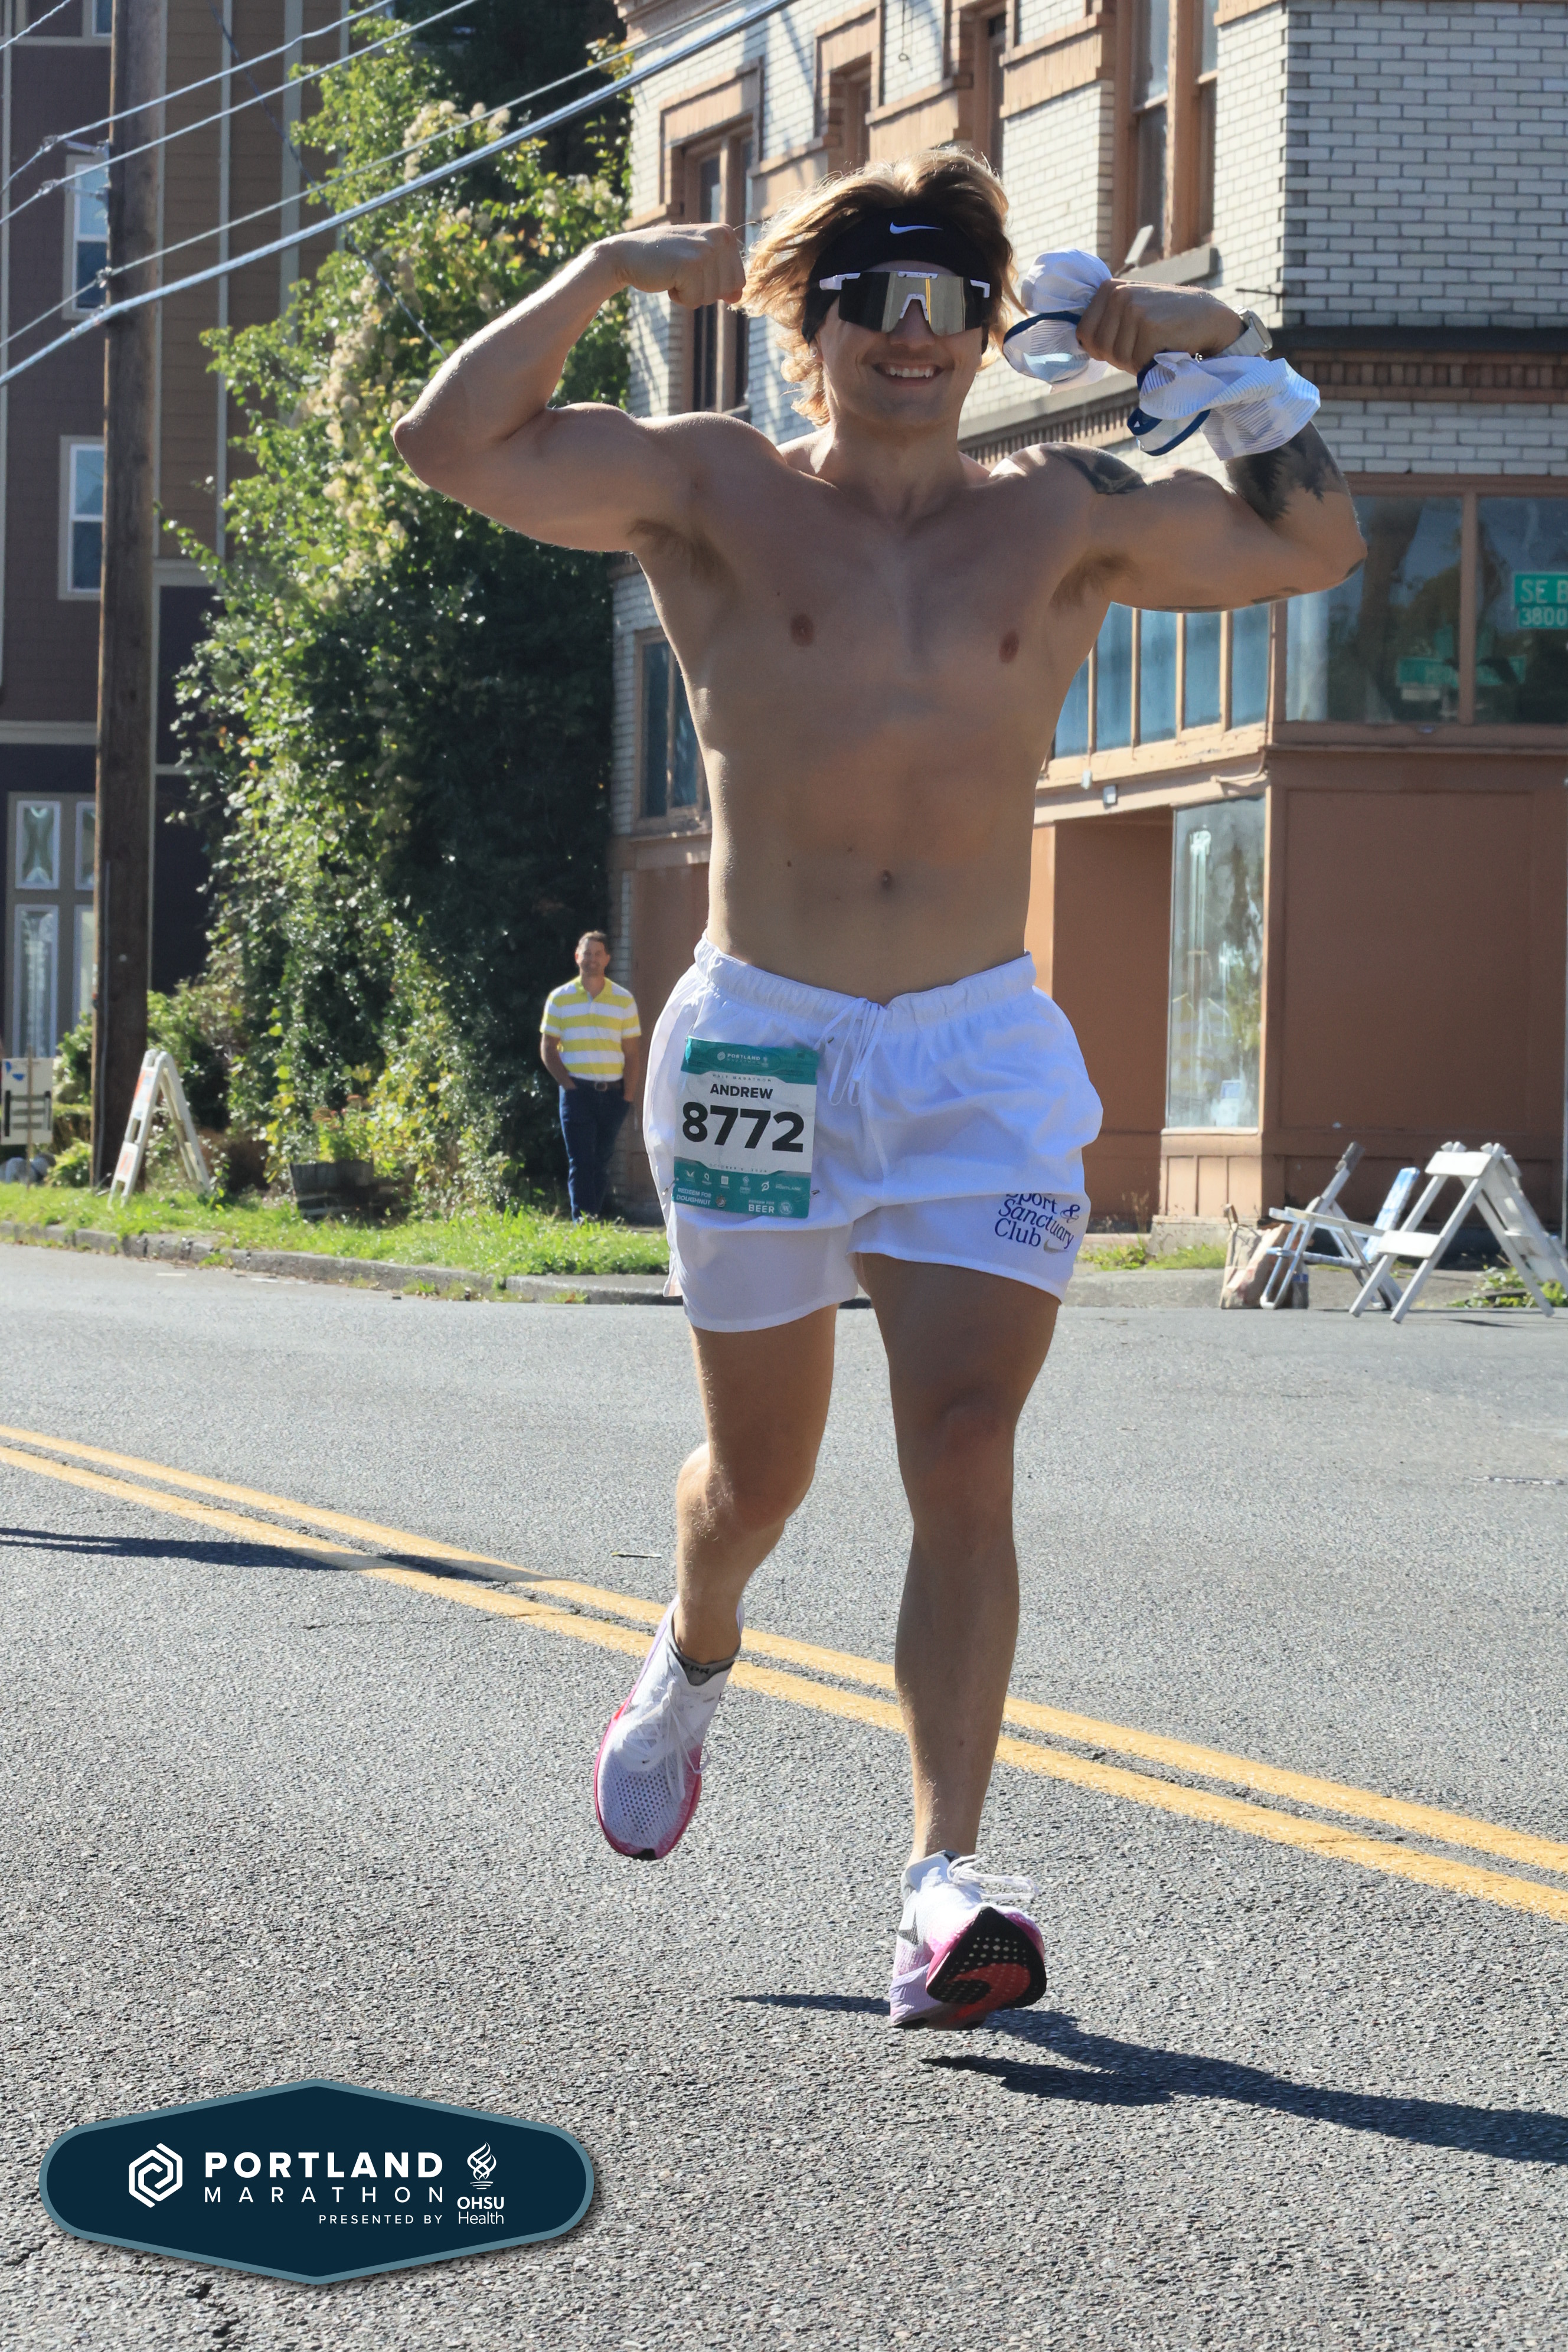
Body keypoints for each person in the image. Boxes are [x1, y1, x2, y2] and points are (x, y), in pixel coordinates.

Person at [394, 149, 1363, 2028]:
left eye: (949, 305)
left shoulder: (1063, 513)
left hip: (974, 1053)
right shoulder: (712, 488)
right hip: (762, 1041)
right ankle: (693, 1649)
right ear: (812, 325)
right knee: (759, 1477)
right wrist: (608, 266)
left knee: (968, 1447)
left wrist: (1220, 354)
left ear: (992, 332)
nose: (914, 337)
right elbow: (452, 446)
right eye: (877, 303)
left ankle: (944, 1888)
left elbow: (1312, 544)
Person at [540, 930, 642, 1222]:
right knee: (581, 1161)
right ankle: (583, 1221)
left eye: (598, 954)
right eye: (587, 954)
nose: (592, 960)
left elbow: (632, 1054)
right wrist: (568, 1085)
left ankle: (593, 1218)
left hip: (613, 1093)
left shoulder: (624, 1001)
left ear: (607, 959)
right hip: (577, 1092)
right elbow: (548, 1047)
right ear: (577, 957)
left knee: (602, 1160)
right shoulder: (560, 999)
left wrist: (627, 1097)